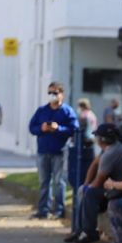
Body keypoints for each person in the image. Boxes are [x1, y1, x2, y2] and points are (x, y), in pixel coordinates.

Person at [64, 124, 122, 243]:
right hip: (113, 187)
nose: (96, 139)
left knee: (90, 193)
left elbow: (98, 181)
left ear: (102, 140)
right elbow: (94, 164)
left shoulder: (111, 153)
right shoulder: (110, 148)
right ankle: (79, 230)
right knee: (85, 189)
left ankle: (88, 232)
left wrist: (88, 188)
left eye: (97, 137)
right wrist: (86, 184)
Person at [28, 82, 78, 219]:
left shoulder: (67, 111)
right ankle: (43, 209)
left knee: (59, 182)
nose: (52, 96)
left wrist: (58, 129)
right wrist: (41, 129)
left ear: (61, 94)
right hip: (43, 151)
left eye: (55, 93)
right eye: (50, 93)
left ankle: (59, 210)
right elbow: (32, 127)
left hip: (59, 151)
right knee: (44, 181)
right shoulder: (42, 111)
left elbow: (74, 130)